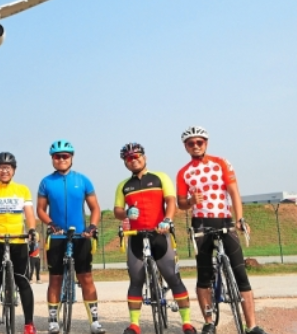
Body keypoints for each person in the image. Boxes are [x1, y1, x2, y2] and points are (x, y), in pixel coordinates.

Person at [176, 126, 271, 334]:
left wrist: (240, 218)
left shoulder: (221, 163)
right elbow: (181, 202)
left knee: (240, 273)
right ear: (185, 147)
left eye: (199, 142)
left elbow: (234, 191)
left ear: (206, 143)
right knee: (204, 275)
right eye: (191, 143)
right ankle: (209, 322)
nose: (196, 146)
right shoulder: (183, 172)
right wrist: (190, 201)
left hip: (224, 220)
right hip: (200, 223)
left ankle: (251, 325)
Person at [113, 143, 196, 334]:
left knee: (173, 278)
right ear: (125, 163)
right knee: (136, 280)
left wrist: (167, 219)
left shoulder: (160, 177)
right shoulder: (123, 185)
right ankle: (134, 325)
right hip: (135, 237)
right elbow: (117, 210)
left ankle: (187, 323)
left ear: (145, 157)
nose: (133, 160)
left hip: (159, 233)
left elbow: (171, 201)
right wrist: (126, 213)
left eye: (137, 156)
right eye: (129, 158)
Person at [36, 139, 105, 334]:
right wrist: (51, 224)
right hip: (57, 237)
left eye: (65, 156)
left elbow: (95, 208)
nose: (61, 159)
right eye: (57, 156)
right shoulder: (46, 182)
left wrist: (92, 226)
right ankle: (52, 320)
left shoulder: (82, 180)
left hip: (80, 235)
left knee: (86, 278)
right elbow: (40, 210)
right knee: (55, 279)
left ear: (71, 158)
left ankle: (95, 320)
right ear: (52, 159)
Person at [0, 152, 38, 334]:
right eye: (1, 168)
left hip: (18, 238)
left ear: (13, 170)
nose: (4, 171)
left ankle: (28, 323)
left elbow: (29, 212)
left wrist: (32, 229)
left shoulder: (23, 190)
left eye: (8, 168)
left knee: (22, 280)